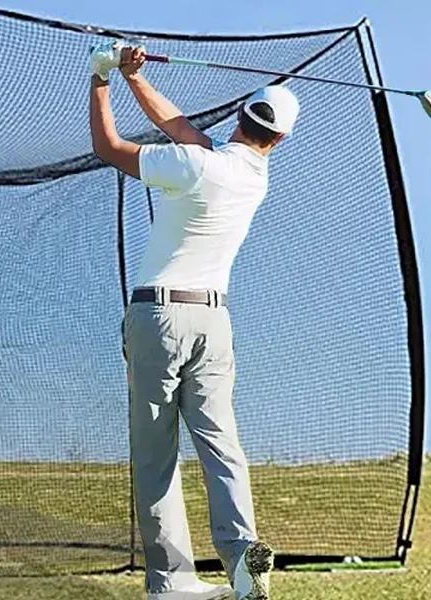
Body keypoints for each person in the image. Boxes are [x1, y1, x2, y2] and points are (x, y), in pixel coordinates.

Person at [87, 41, 300, 600]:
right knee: (220, 444)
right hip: (214, 323)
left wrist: (102, 78)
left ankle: (171, 582)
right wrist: (135, 79)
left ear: (238, 115)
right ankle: (240, 561)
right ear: (278, 140)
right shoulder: (253, 177)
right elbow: (181, 127)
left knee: (157, 454)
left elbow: (108, 147)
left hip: (158, 317)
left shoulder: (192, 164)